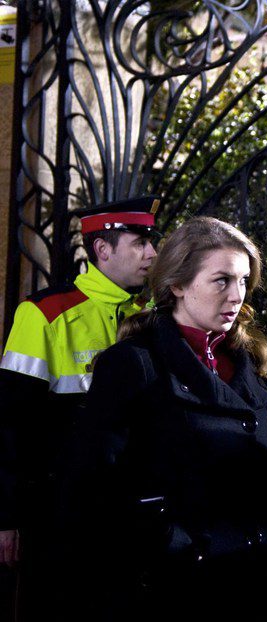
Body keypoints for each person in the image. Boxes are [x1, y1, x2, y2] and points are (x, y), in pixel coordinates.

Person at [72, 217, 267, 622]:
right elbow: (96, 487)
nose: (237, 295)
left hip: (261, 587)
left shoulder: (248, 365)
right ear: (177, 284)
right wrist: (174, 542)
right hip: (181, 589)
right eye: (221, 281)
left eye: (244, 281)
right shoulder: (134, 364)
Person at [0, 196, 161, 620]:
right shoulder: (44, 314)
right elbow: (11, 424)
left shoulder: (151, 319)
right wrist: (7, 516)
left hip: (133, 514)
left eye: (153, 242)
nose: (152, 253)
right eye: (141, 241)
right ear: (102, 250)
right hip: (59, 514)